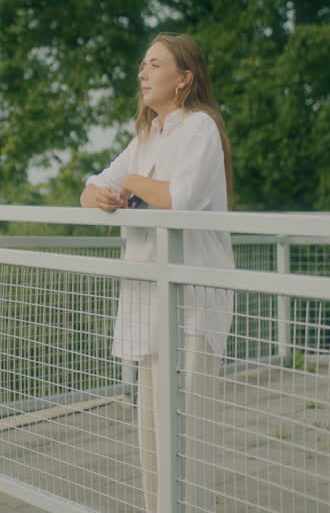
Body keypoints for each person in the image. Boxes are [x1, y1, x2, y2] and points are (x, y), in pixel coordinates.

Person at [80, 32, 234, 511]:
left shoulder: (200, 129)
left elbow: (179, 199)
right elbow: (90, 190)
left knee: (189, 431)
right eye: (143, 65)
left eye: (154, 64)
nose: (142, 73)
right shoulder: (147, 136)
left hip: (191, 301)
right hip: (149, 300)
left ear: (183, 78)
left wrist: (129, 182)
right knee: (152, 431)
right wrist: (103, 194)